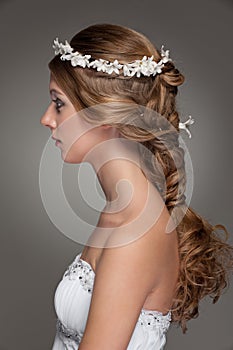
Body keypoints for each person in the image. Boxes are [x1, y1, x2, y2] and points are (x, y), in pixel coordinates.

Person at [40, 23, 233, 350]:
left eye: (58, 103)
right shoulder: (120, 210)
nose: (46, 118)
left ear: (106, 113)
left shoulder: (136, 232)